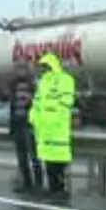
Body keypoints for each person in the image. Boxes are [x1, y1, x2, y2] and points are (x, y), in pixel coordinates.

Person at [28, 51, 76, 199]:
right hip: (44, 129)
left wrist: (52, 117)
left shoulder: (65, 80)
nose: (43, 69)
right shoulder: (43, 82)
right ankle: (53, 187)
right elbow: (36, 102)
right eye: (42, 67)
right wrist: (33, 119)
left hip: (58, 129)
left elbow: (66, 102)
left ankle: (60, 189)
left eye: (45, 66)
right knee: (48, 162)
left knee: (59, 162)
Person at [8, 61, 44, 193]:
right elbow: (12, 106)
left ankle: (38, 184)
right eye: (18, 69)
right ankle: (26, 182)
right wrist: (11, 126)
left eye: (23, 68)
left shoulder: (33, 85)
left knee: (34, 156)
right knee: (21, 156)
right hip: (17, 123)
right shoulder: (13, 85)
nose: (20, 71)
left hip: (29, 124)